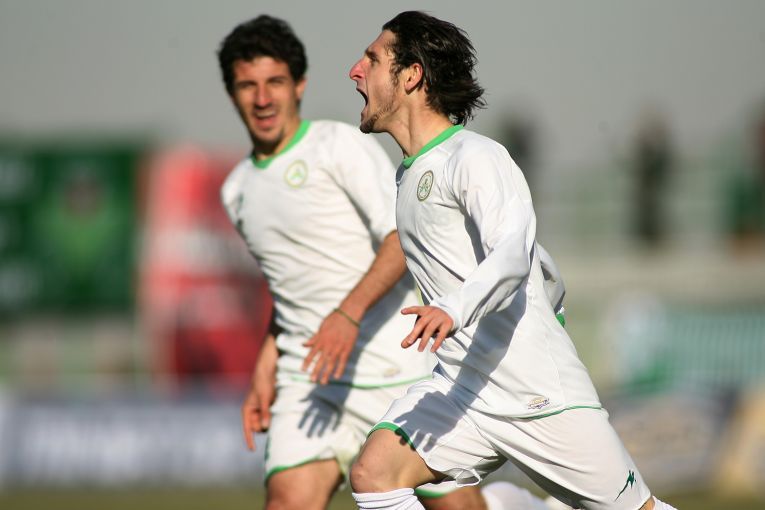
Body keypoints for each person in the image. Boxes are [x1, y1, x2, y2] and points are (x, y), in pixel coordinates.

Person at [217, 15, 564, 510]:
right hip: (309, 381)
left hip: (392, 367)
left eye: (274, 82)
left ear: (299, 85)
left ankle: (520, 505)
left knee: (461, 508)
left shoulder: (338, 146)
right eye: (247, 86)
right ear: (231, 93)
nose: (262, 98)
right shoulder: (236, 190)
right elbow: (290, 286)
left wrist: (347, 314)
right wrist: (265, 366)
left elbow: (401, 238)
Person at [347, 11, 677, 510]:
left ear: (411, 75)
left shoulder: (475, 157)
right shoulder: (410, 175)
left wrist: (455, 308)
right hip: (464, 390)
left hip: (536, 393)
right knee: (375, 473)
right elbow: (536, 260)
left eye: (372, 59)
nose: (356, 70)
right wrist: (552, 298)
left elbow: (512, 252)